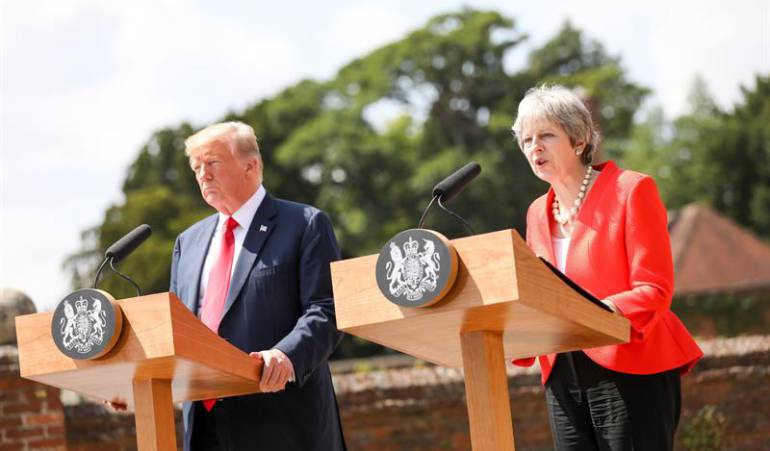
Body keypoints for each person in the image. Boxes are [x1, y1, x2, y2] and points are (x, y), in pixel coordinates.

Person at [510, 85, 702, 451]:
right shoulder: (537, 213)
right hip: (562, 371)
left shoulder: (630, 190)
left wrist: (595, 314)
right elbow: (541, 293)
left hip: (629, 361)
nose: (534, 147)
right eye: (526, 139)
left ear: (579, 139)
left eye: (546, 135)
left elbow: (654, 288)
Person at [171, 121, 345, 450]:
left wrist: (285, 354)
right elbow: (177, 331)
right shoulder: (187, 243)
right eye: (197, 167)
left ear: (251, 165)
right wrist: (132, 382)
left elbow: (327, 310)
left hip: (282, 420)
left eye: (213, 163)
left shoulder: (305, 224)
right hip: (206, 428)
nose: (203, 175)